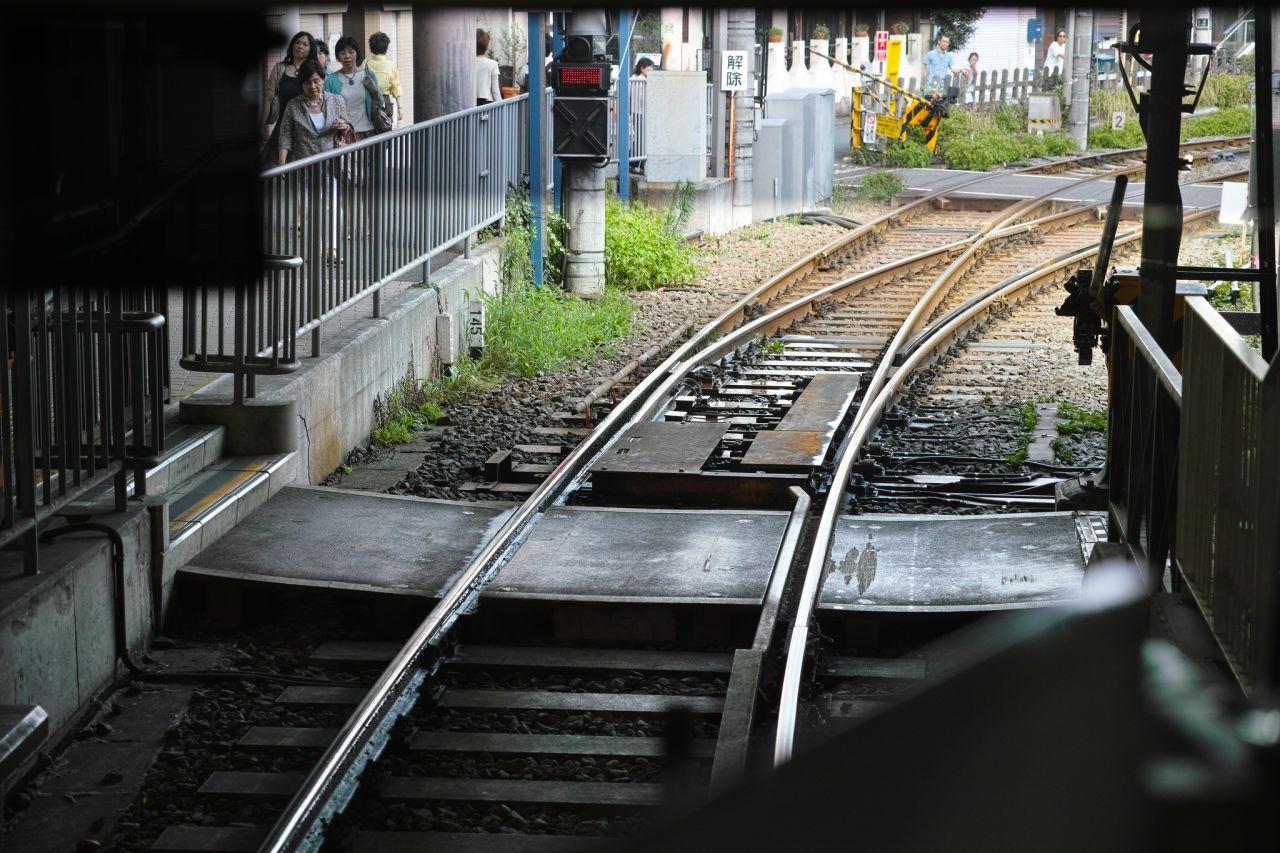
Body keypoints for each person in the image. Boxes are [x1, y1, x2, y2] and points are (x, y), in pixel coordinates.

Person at [277, 60, 350, 164]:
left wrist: (345, 126)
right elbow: (285, 136)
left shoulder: (337, 101)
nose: (312, 86)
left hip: (333, 162)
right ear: (302, 84)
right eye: (307, 82)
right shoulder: (293, 105)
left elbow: (348, 127)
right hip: (304, 164)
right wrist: (282, 163)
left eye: (316, 81)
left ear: (323, 80)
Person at [261, 31, 317, 152]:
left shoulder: (314, 69)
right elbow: (268, 98)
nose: (300, 46)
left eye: (305, 44)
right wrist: (262, 126)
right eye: (297, 43)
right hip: (283, 124)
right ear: (292, 45)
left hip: (309, 125)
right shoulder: (279, 69)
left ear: (311, 49)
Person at [324, 36, 383, 139]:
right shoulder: (331, 80)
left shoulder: (368, 75)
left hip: (369, 132)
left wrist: (374, 92)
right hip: (345, 134)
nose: (347, 56)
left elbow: (380, 103)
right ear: (338, 56)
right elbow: (327, 110)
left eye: (351, 52)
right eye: (342, 53)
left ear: (357, 53)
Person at [364, 32, 403, 126]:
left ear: (371, 47)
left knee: (370, 130)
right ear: (386, 47)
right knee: (385, 128)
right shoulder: (391, 66)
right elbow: (396, 88)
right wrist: (400, 108)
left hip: (368, 102)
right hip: (385, 103)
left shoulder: (366, 63)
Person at [475, 29, 501, 105]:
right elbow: (495, 91)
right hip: (486, 104)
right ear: (486, 46)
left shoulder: (466, 63)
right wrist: (502, 108)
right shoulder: (492, 64)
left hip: (468, 104)